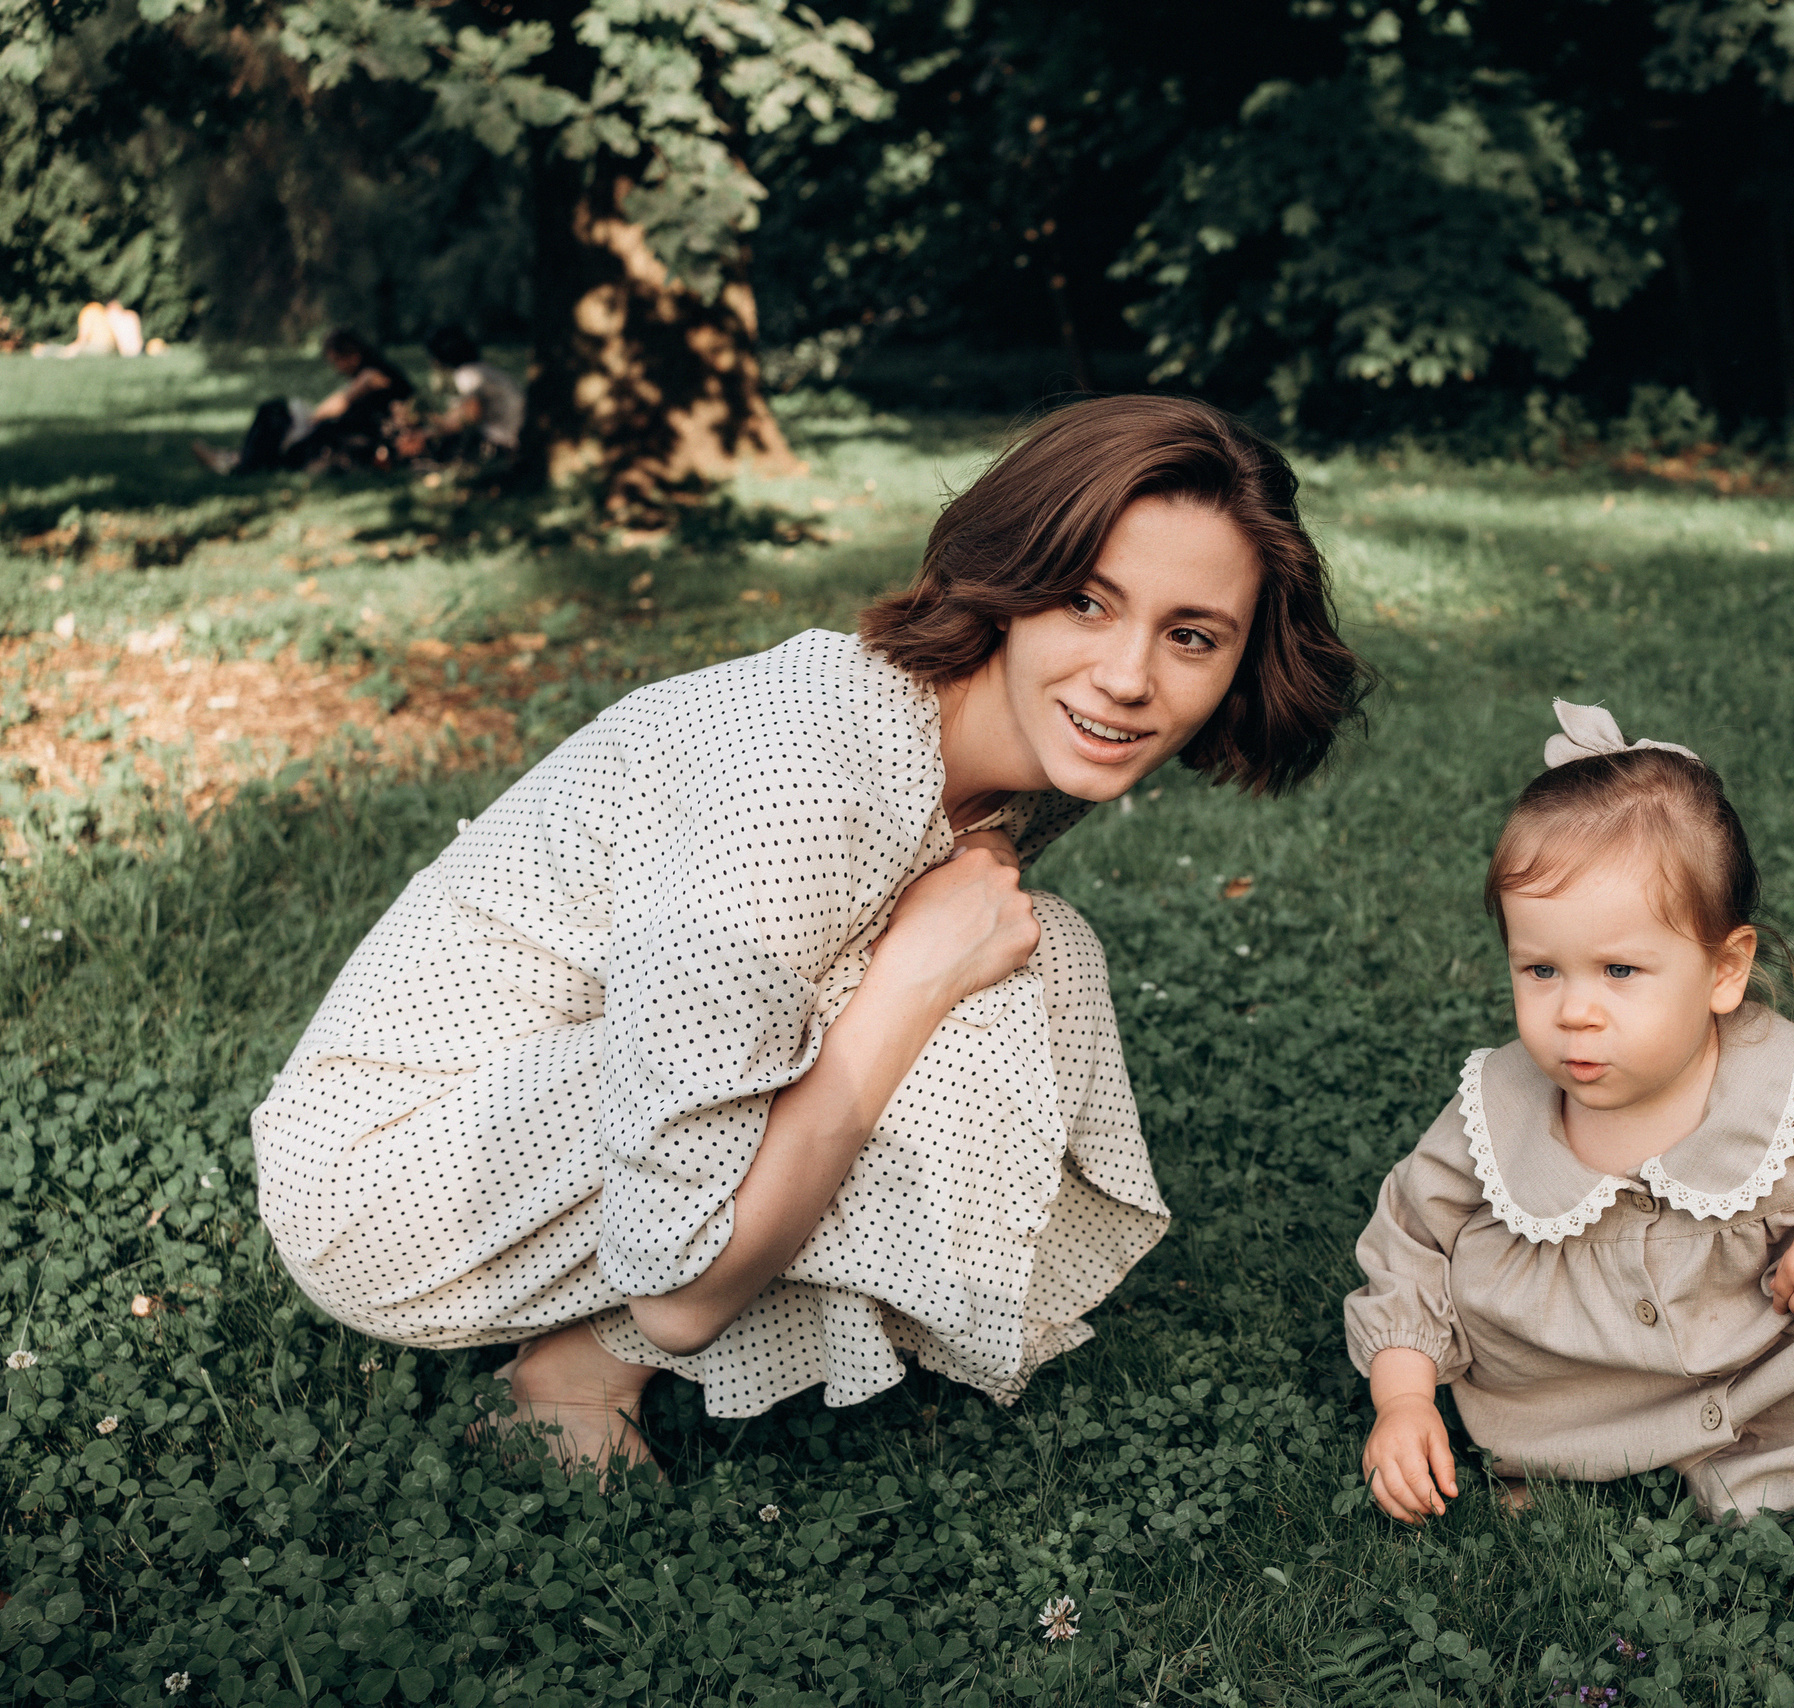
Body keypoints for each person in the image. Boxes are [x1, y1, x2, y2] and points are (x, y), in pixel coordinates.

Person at [251, 395, 1369, 1474]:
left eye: (1190, 635)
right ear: (1007, 582)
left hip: (536, 1107)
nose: (1126, 679)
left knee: (1028, 953)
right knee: (960, 994)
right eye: (1085, 600)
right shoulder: (805, 787)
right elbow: (677, 1298)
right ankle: (583, 1375)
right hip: (392, 1182)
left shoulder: (1005, 734)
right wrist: (908, 992)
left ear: (1239, 661)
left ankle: (584, 1358)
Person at [1347, 700, 1794, 1524]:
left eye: (1620, 971)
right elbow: (1410, 1239)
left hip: (1773, 1356)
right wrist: (1404, 1399)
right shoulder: (1497, 1104)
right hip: (1582, 1388)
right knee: (1494, 1313)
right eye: (1541, 970)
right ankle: (1578, 1458)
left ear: (1726, 971)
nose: (1575, 1012)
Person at [194, 329, 414, 474]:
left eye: (337, 360)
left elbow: (344, 400)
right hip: (345, 432)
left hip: (351, 436)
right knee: (275, 415)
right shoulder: (374, 372)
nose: (336, 368)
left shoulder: (372, 374)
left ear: (353, 355)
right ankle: (236, 458)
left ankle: (238, 463)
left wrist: (315, 416)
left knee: (276, 414)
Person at [411, 324, 524, 462]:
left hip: (502, 444)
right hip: (515, 438)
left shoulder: (467, 374)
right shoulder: (483, 370)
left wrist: (431, 430)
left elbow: (472, 413)